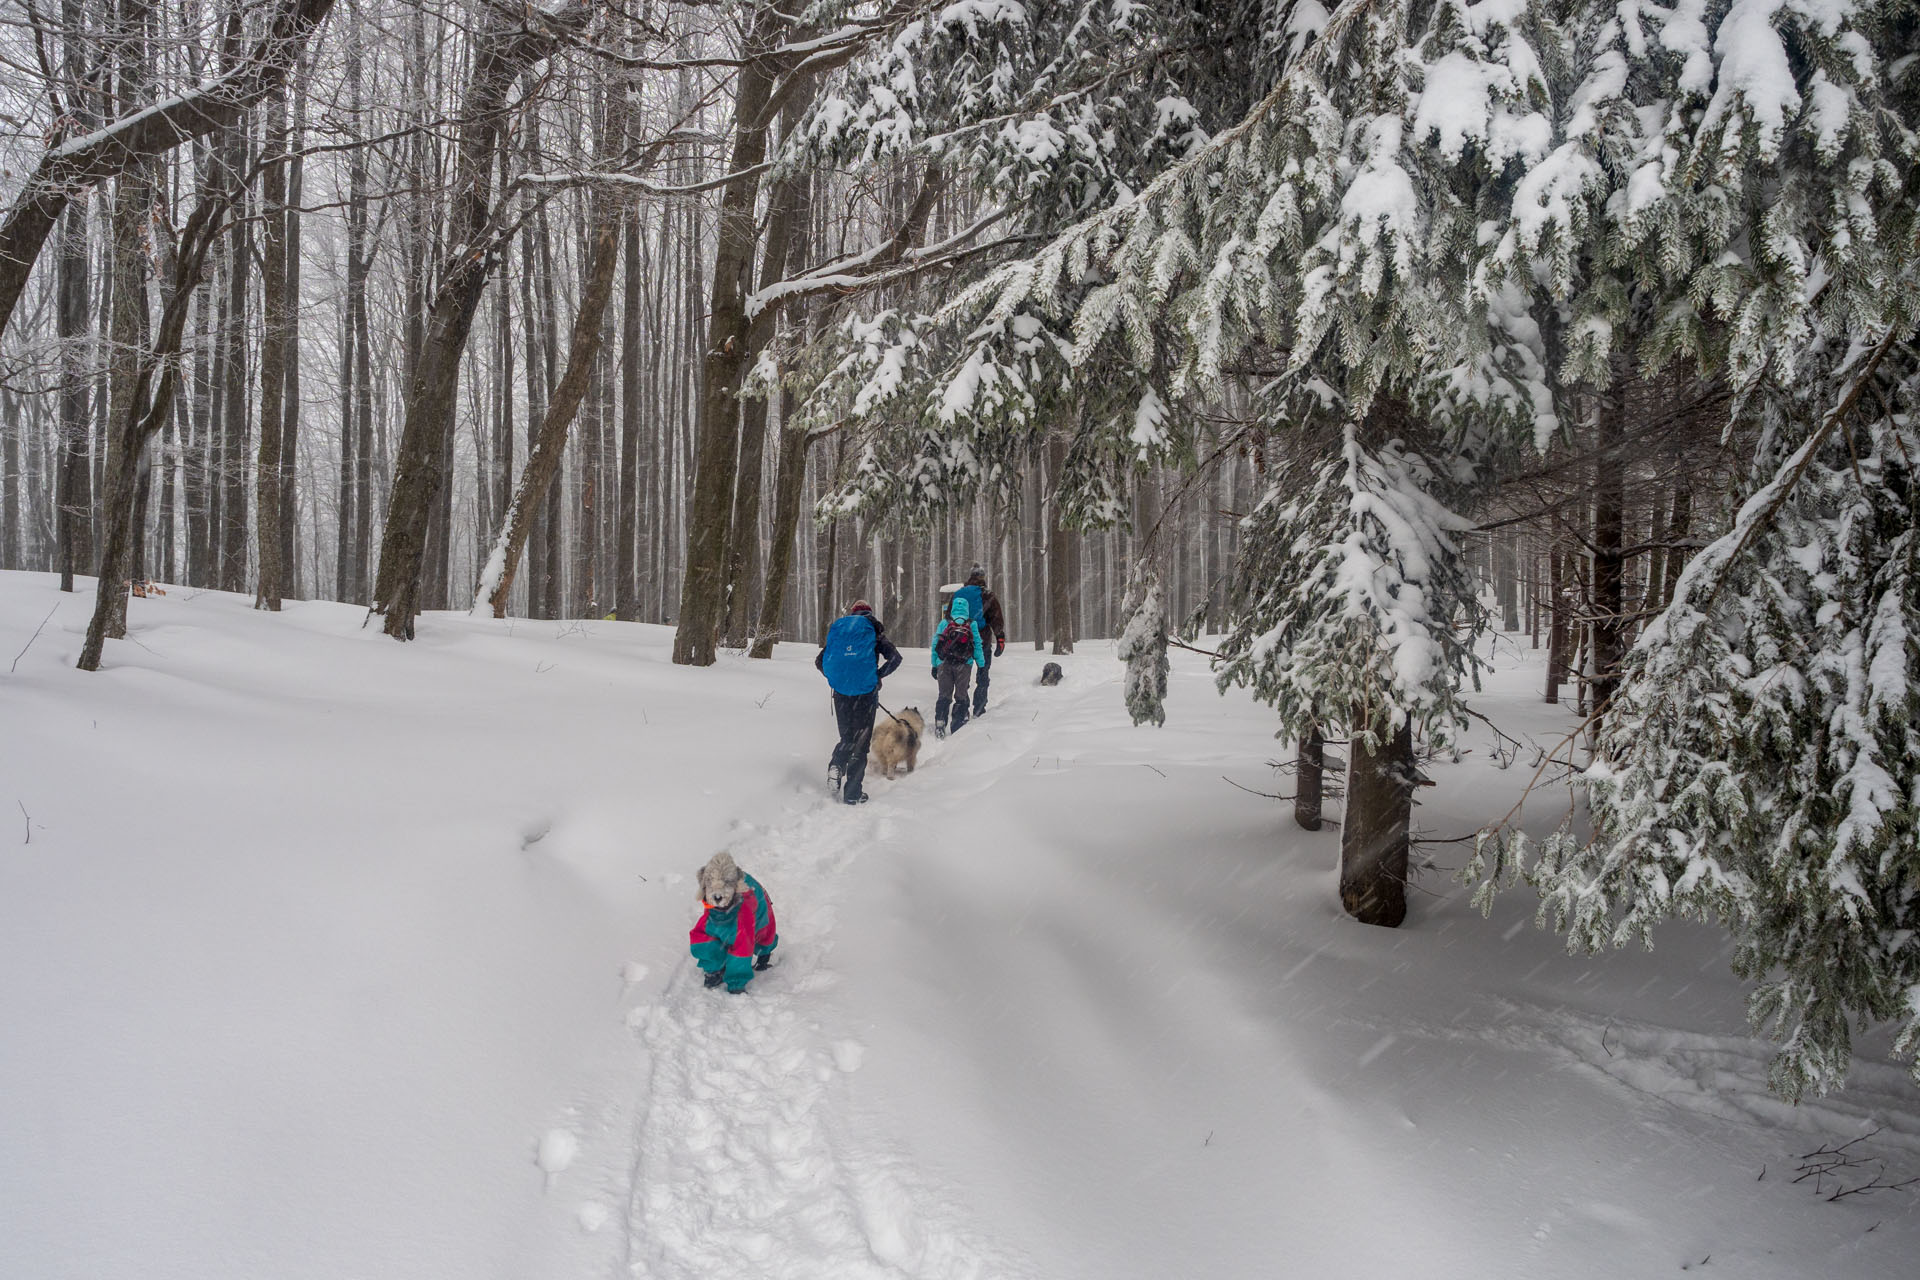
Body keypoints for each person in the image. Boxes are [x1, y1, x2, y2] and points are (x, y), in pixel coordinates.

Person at [815, 599, 902, 805]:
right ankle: (853, 793)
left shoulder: (841, 632)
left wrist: (837, 678)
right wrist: (877, 675)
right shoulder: (873, 630)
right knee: (861, 742)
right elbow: (896, 658)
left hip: (842, 693)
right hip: (865, 693)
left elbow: (819, 661)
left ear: (852, 614)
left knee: (847, 736)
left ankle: (836, 764)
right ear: (869, 613)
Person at [688, 852, 777, 994]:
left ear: (736, 886)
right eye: (710, 886)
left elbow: (743, 950)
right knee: (703, 936)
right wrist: (712, 968)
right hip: (718, 911)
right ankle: (715, 969)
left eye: (726, 885)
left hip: (743, 910)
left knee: (749, 937)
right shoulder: (712, 906)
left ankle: (763, 955)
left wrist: (736, 983)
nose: (717, 894)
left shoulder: (745, 913)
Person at [953, 565, 1007, 718]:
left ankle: (962, 707)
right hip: (982, 641)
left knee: (963, 676)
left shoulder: (959, 594)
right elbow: (996, 619)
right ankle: (979, 708)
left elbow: (949, 618)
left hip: (961, 642)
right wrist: (1000, 638)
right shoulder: (987, 595)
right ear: (983, 578)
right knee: (983, 674)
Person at [929, 593, 985, 737]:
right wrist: (981, 664)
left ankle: (940, 724)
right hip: (964, 665)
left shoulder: (945, 623)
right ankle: (957, 724)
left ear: (953, 608)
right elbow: (977, 645)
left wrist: (935, 665)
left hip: (944, 664)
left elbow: (936, 644)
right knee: (961, 695)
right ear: (967, 609)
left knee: (944, 695)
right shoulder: (971, 624)